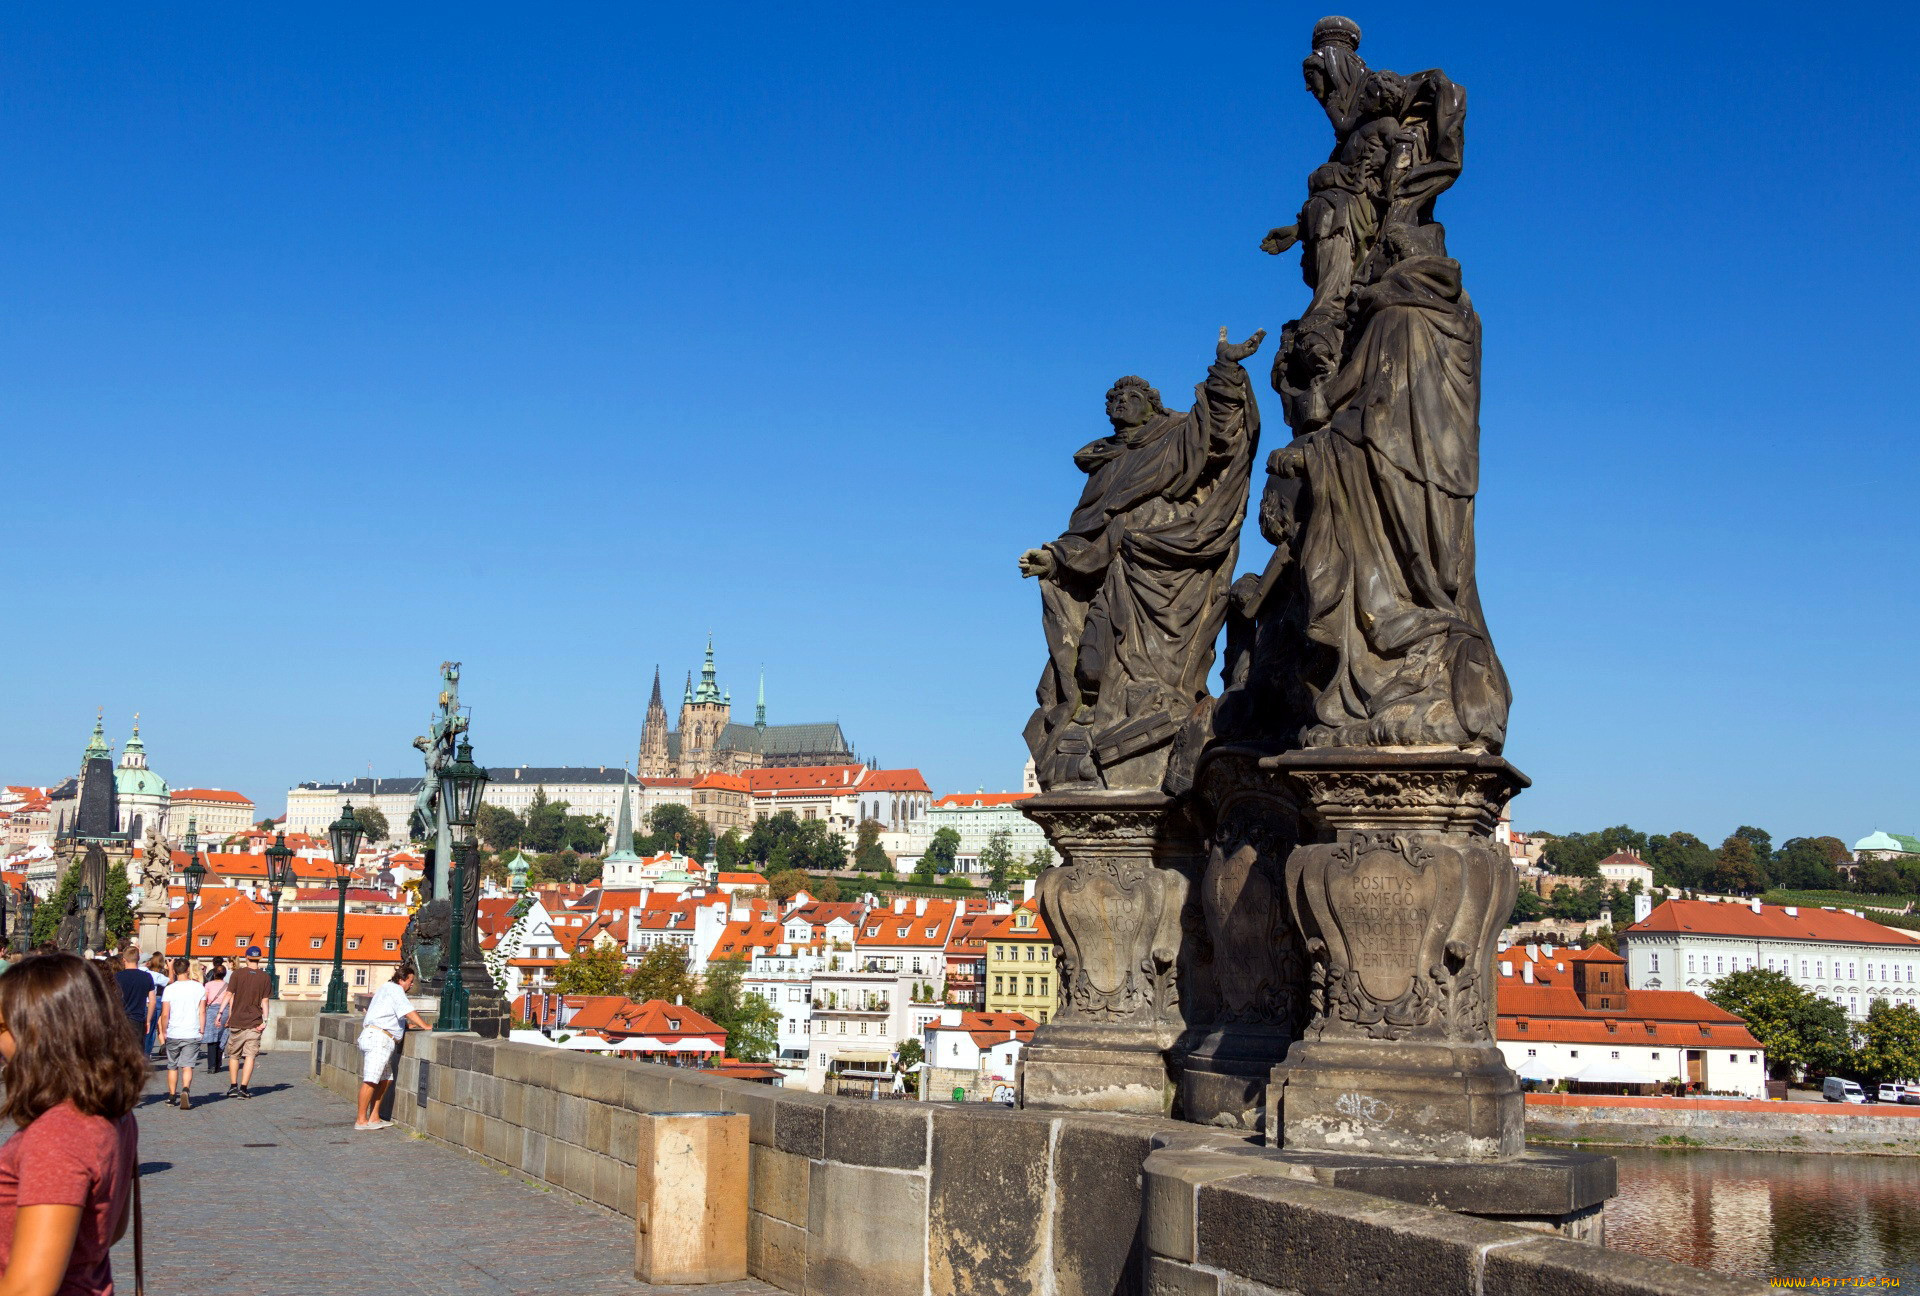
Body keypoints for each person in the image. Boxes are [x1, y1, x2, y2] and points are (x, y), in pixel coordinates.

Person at [0, 952, 145, 1296]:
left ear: (38, 1034)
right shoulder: (114, 1113)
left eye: (2, 1028)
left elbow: (29, 1289)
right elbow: (110, 1230)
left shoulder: (58, 1135)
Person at [355, 966, 428, 1131]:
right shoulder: (395, 989)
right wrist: (425, 1025)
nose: (411, 985)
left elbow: (390, 1014)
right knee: (371, 1079)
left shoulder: (386, 989)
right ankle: (361, 1120)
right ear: (401, 980)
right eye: (410, 981)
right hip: (379, 1038)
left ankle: (374, 1117)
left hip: (381, 1038)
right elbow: (407, 1010)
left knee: (386, 1078)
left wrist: (405, 1026)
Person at [223, 946, 273, 1100]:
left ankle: (233, 1086)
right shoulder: (265, 977)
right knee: (250, 1056)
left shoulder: (237, 974)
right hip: (255, 1022)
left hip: (237, 1020)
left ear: (246, 958)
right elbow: (265, 1001)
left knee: (234, 1055)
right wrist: (266, 1020)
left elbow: (229, 994)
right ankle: (243, 1089)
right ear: (260, 959)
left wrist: (220, 1013)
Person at [156, 958, 205, 1110]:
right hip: (192, 1031)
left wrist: (164, 1031)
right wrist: (202, 1029)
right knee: (187, 1066)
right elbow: (202, 1011)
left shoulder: (170, 989)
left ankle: (172, 1096)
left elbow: (165, 1014)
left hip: (174, 1031)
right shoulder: (199, 987)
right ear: (188, 969)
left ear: (175, 971)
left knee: (172, 1065)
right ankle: (185, 1089)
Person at [112, 948, 156, 1051]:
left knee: (120, 1051)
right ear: (138, 958)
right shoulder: (146, 977)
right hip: (137, 1019)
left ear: (123, 960)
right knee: (136, 1052)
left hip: (120, 1019)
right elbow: (152, 1001)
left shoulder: (117, 977)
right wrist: (148, 1020)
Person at [200, 965, 231, 1077]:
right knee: (221, 1037)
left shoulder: (208, 985)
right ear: (224, 974)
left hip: (212, 1010)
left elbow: (205, 999)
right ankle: (218, 1064)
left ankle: (211, 1066)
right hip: (225, 1010)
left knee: (211, 1038)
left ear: (214, 973)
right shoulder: (228, 985)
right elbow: (231, 999)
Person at [142, 955, 168, 1057]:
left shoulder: (150, 974)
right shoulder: (153, 974)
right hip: (155, 1000)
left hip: (146, 1002)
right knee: (152, 1029)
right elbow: (169, 980)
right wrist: (170, 968)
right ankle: (146, 1053)